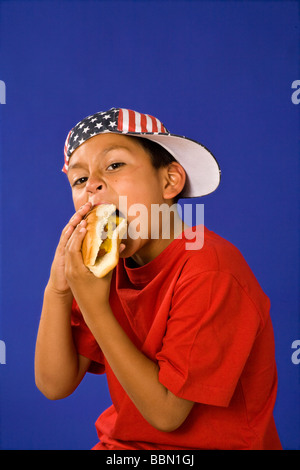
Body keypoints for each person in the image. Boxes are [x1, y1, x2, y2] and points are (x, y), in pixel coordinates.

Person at [35, 107, 282, 450]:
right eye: (79, 180)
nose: (93, 185)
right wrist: (59, 289)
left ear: (169, 181)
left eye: (114, 165)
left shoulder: (211, 267)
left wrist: (94, 306)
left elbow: (167, 414)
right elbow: (54, 384)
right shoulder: (104, 269)